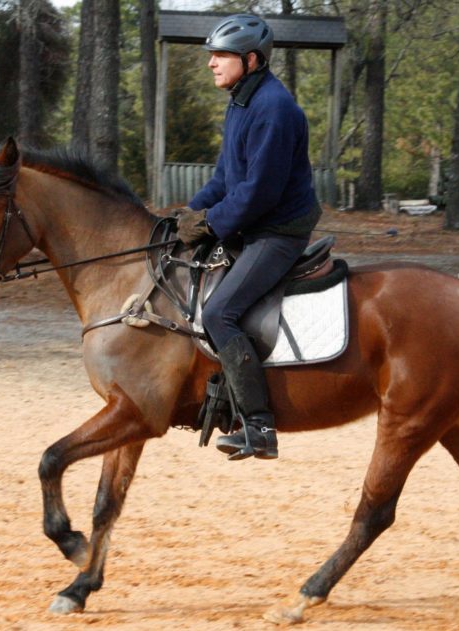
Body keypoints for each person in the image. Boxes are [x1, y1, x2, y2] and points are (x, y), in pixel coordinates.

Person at [175, 14, 321, 460]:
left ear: (251, 59)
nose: (211, 64)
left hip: (278, 231)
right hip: (254, 222)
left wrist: (212, 224)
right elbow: (225, 177)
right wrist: (189, 213)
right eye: (212, 56)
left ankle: (259, 425)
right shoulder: (241, 101)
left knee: (220, 313)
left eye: (221, 56)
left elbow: (259, 192)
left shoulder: (274, 108)